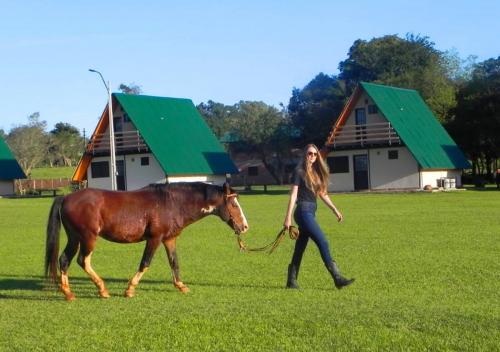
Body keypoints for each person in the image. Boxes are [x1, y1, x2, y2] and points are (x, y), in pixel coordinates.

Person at [283, 144, 354, 289]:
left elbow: (322, 194)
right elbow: (293, 195)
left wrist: (335, 209)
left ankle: (291, 281)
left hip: (310, 213)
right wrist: (288, 218)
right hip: (302, 212)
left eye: (315, 154)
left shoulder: (316, 173)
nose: (312, 157)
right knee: (323, 241)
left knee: (300, 248)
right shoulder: (299, 172)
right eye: (310, 153)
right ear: (305, 154)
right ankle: (337, 278)